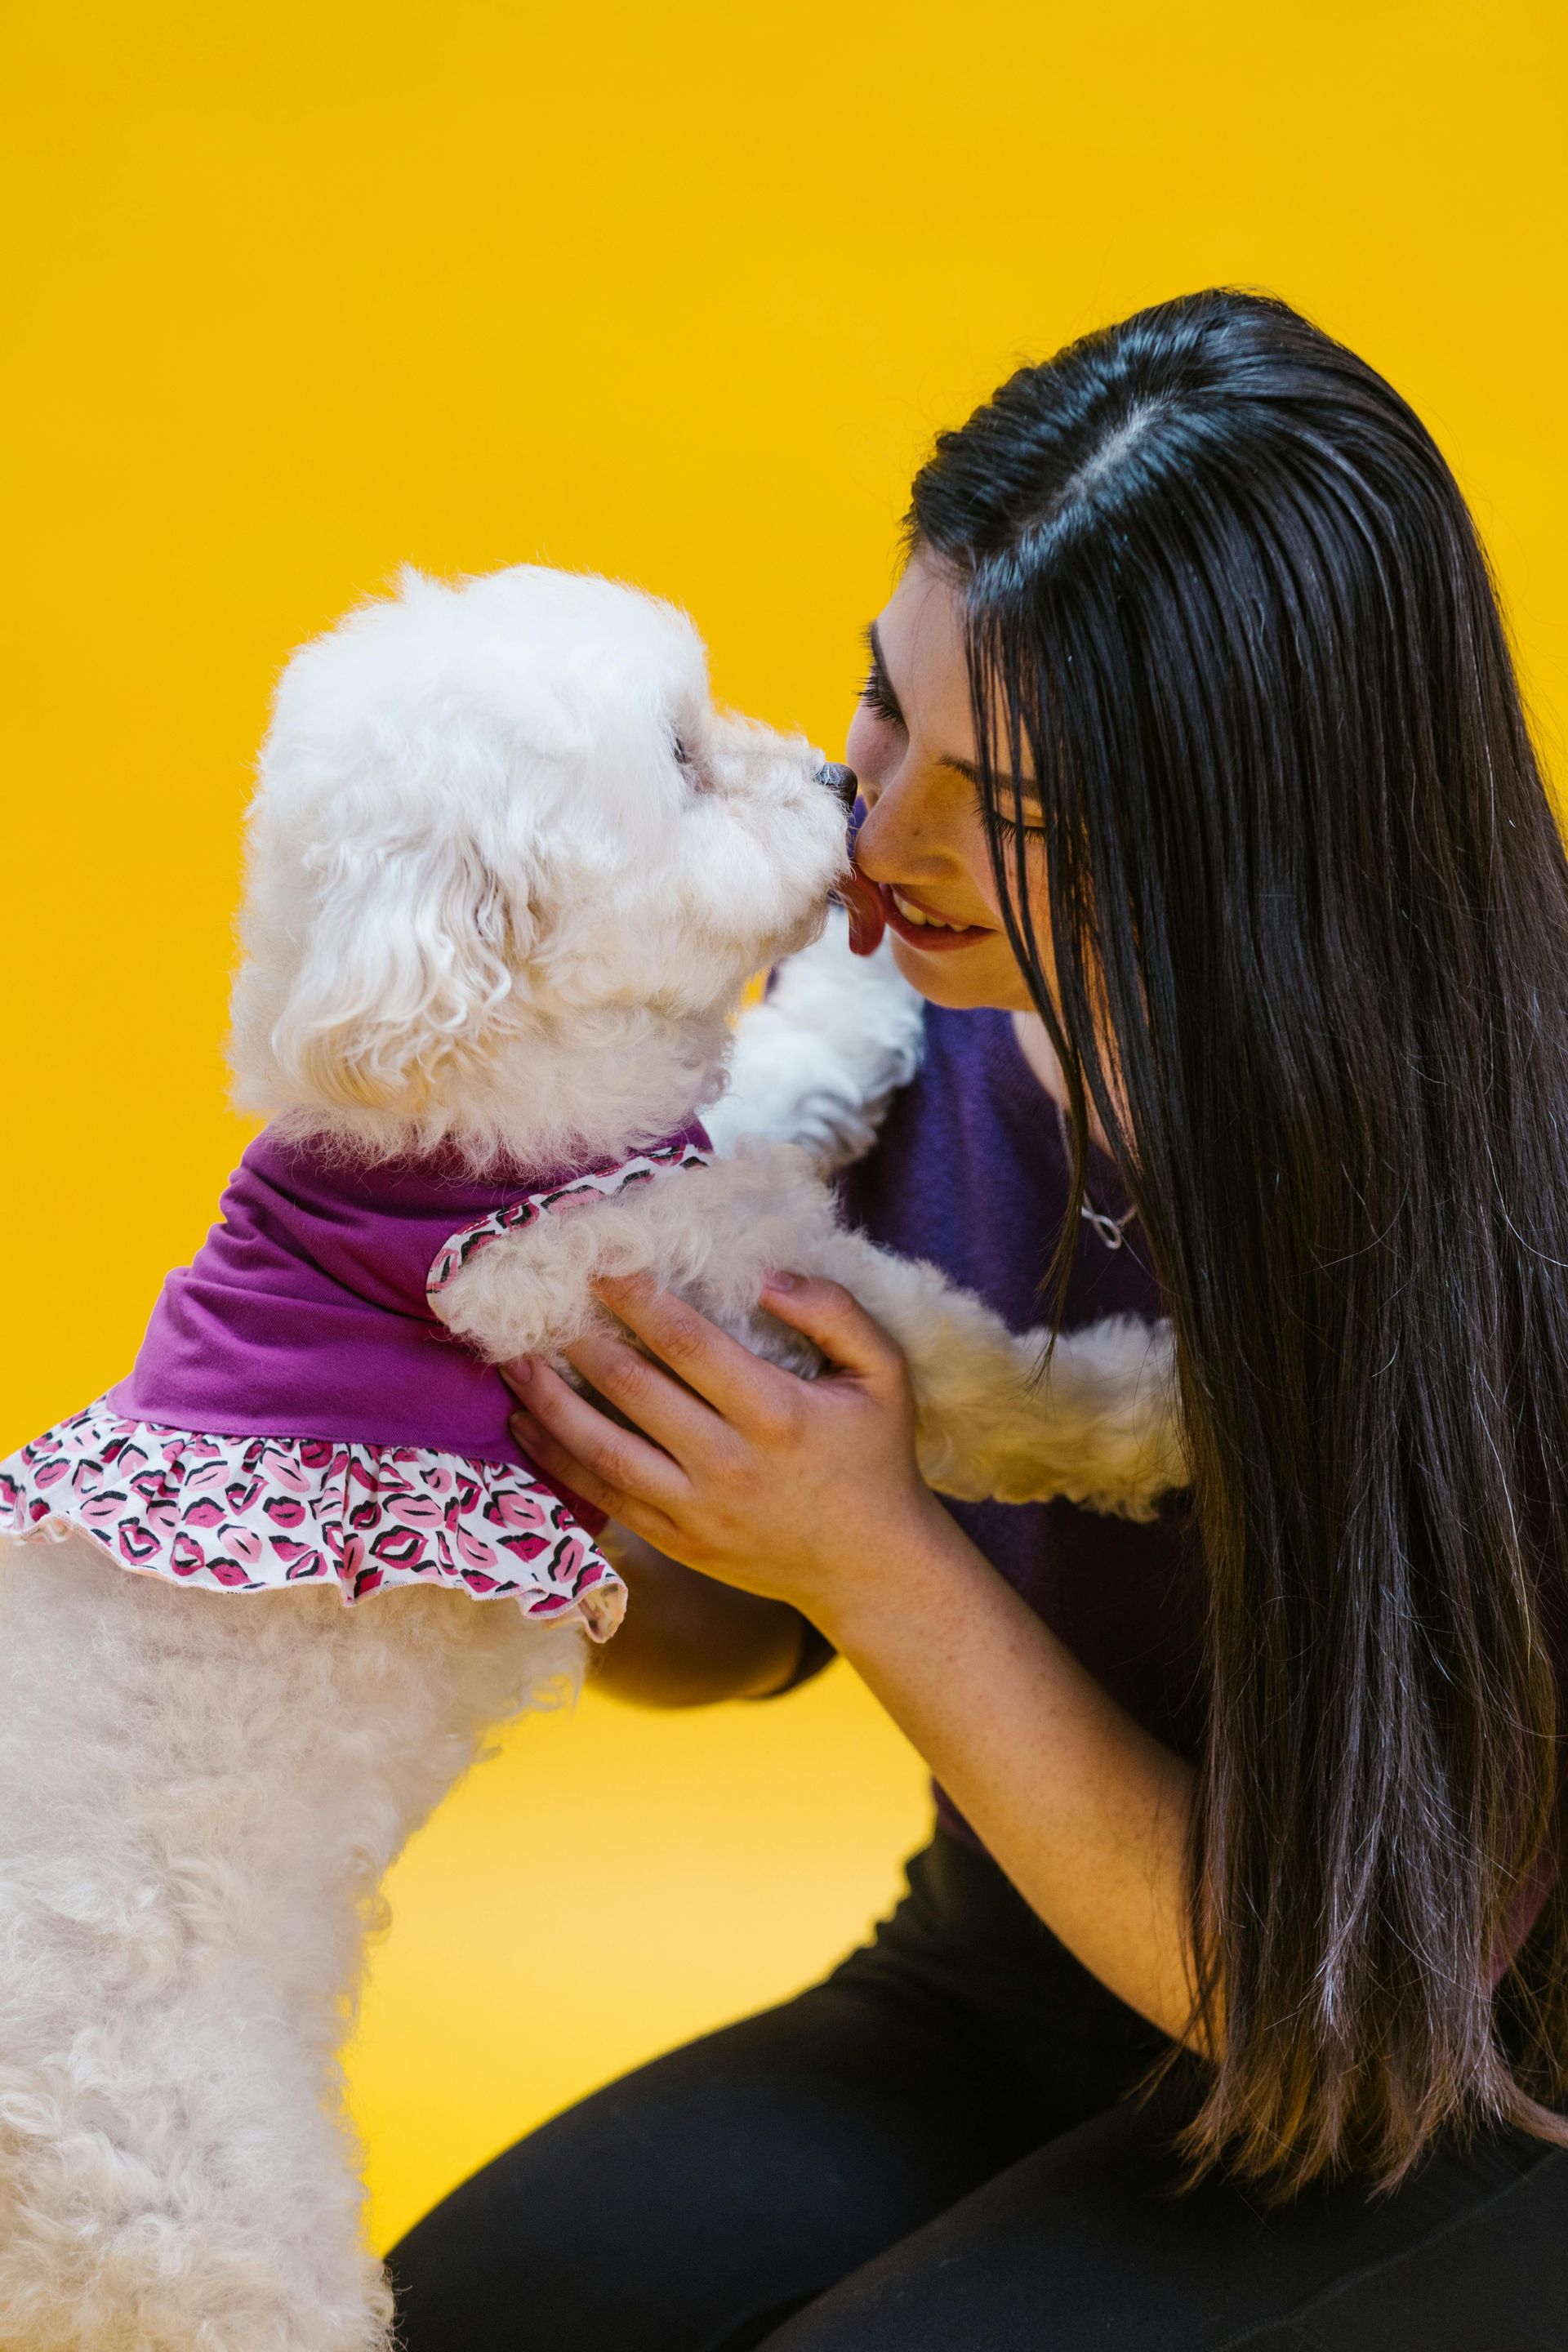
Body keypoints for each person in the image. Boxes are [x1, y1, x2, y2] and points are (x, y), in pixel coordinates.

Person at [386, 290, 1568, 2348]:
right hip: (1007, 1975)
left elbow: (1331, 2001)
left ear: (1259, 848)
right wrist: (519, 1470)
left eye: (1012, 816)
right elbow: (726, 1638)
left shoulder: (1509, 1196)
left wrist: (874, 1552)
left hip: (1427, 2085)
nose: (885, 839)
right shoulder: (882, 1028)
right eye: (882, 717)